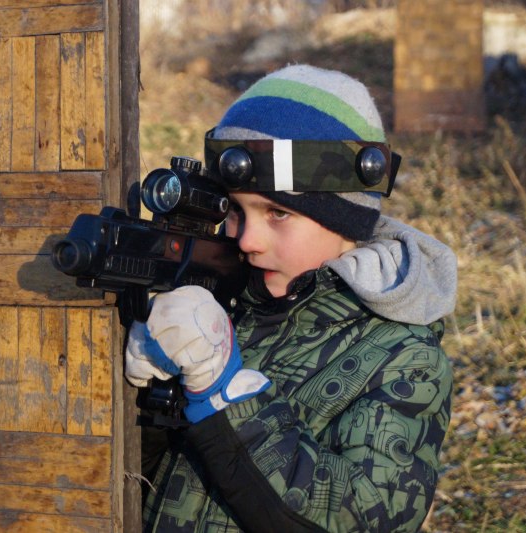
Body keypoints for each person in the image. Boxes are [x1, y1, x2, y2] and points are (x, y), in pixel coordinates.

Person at [125, 64, 458, 532]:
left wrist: (222, 390)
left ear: (346, 220)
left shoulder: (404, 358)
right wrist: (147, 396)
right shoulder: (229, 301)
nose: (247, 240)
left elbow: (361, 517)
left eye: (277, 212)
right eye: (236, 212)